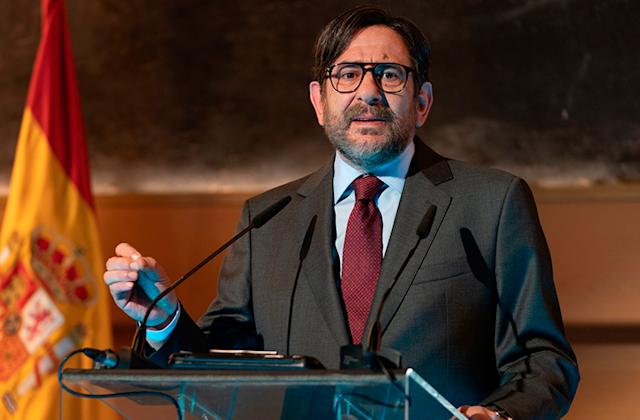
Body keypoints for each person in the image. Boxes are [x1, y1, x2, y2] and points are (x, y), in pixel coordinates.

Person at [104, 6, 579, 419]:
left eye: (389, 75)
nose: (368, 91)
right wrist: (163, 318)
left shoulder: (491, 203)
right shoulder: (267, 220)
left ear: (422, 102)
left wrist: (497, 415)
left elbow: (542, 360)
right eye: (347, 74)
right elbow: (220, 366)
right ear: (319, 101)